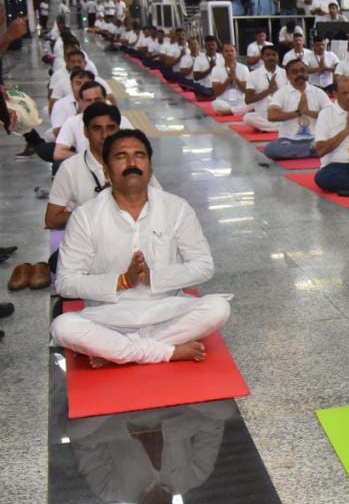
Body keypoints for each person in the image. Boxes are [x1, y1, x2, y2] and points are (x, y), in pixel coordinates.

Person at [51, 129, 231, 366]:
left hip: (166, 310)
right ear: (106, 170)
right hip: (109, 315)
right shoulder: (85, 216)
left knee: (218, 308)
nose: (132, 163)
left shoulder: (177, 208)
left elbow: (204, 266)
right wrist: (122, 281)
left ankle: (118, 351)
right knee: (63, 326)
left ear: (150, 167)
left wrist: (153, 277)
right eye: (121, 156)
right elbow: (66, 281)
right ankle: (165, 351)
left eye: (139, 155)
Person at [45, 102, 160, 229]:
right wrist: (96, 212)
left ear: (118, 130)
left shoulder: (134, 165)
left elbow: (160, 204)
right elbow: (51, 220)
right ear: (86, 132)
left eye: (111, 128)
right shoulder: (70, 168)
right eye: (97, 129)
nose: (104, 135)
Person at [264, 58, 329, 160]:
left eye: (302, 71)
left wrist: (308, 112)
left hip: (314, 138)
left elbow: (331, 115)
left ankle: (310, 150)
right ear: (288, 76)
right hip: (289, 140)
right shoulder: (281, 93)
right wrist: (298, 112)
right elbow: (271, 116)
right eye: (295, 72)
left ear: (307, 73)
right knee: (271, 149)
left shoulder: (318, 92)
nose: (299, 74)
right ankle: (312, 151)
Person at [53, 80, 110, 161]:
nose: (93, 104)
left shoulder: (121, 121)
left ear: (105, 99)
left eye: (97, 99)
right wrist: (87, 160)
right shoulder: (72, 122)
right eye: (88, 100)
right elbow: (59, 153)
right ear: (80, 102)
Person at [241, 45, 287, 132]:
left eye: (274, 55)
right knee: (247, 118)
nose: (271, 58)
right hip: (262, 115)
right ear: (262, 57)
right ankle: (278, 128)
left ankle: (269, 127)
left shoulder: (286, 74)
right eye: (268, 55)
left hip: (281, 113)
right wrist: (268, 91)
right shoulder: (253, 75)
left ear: (278, 57)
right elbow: (248, 100)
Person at [209, 43, 251, 117]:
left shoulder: (244, 68)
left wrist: (236, 79)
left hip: (241, 100)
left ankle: (229, 111)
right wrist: (229, 79)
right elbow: (217, 92)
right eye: (226, 51)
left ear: (236, 53)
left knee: (252, 102)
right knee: (215, 103)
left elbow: (246, 90)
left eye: (232, 51)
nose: (229, 53)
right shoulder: (216, 69)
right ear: (222, 54)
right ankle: (237, 111)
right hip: (224, 101)